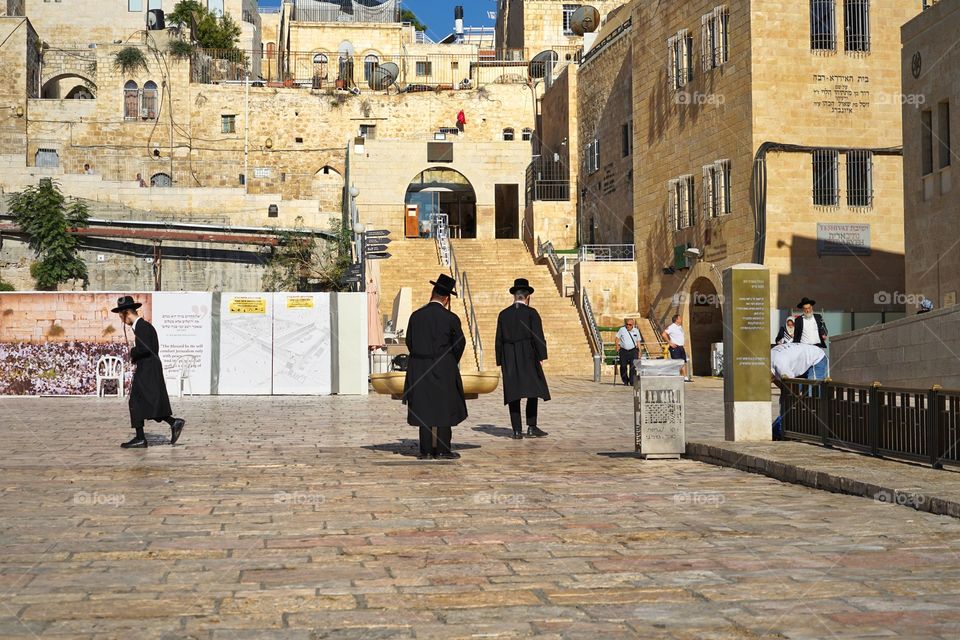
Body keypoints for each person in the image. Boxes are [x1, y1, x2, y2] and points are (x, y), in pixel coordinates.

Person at [402, 274, 468, 460]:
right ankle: (442, 449)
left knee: (424, 406)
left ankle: (425, 451)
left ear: (432, 293)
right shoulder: (451, 318)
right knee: (444, 406)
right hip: (443, 366)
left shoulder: (416, 316)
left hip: (419, 367)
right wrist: (448, 360)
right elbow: (460, 344)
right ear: (447, 299)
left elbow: (410, 342)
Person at [112, 296, 185, 449]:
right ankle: (173, 422)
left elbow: (145, 349)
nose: (122, 320)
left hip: (148, 369)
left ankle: (141, 438)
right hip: (148, 368)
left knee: (136, 401)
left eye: (121, 316)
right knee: (147, 401)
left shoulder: (143, 327)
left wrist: (133, 352)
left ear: (127, 313)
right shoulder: (142, 326)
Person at [495, 278, 550, 439]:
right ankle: (531, 426)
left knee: (514, 392)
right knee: (533, 389)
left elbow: (498, 338)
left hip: (508, 355)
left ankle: (516, 430)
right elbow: (538, 335)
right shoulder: (531, 313)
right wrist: (541, 355)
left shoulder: (503, 314)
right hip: (528, 353)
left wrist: (500, 360)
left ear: (515, 296)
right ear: (528, 297)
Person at [770, 343, 828, 439]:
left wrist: (795, 402)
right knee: (785, 397)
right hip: (799, 363)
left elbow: (792, 388)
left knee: (811, 396)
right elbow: (782, 385)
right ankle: (784, 429)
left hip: (816, 359)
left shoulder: (780, 365)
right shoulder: (769, 363)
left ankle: (813, 429)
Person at [792, 297, 828, 380]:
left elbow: (824, 329)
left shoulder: (818, 317)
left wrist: (823, 334)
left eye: (809, 308)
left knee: (818, 366)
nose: (807, 310)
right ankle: (806, 385)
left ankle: (817, 384)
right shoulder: (798, 320)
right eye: (805, 309)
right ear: (802, 309)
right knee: (806, 368)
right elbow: (796, 336)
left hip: (817, 347)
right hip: (804, 348)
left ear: (811, 308)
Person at [662, 314, 690, 382]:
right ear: (676, 320)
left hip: (681, 347)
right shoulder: (671, 327)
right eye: (679, 318)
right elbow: (663, 334)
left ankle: (685, 377)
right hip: (675, 347)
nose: (681, 319)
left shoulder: (680, 327)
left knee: (683, 361)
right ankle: (677, 377)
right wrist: (670, 343)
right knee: (677, 362)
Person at [616, 317, 642, 386]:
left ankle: (632, 381)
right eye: (627, 324)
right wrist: (617, 346)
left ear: (633, 324)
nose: (628, 326)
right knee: (623, 366)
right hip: (623, 350)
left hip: (633, 350)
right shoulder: (622, 329)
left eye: (630, 325)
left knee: (633, 367)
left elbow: (638, 341)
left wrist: (640, 352)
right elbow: (617, 338)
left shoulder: (636, 331)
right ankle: (625, 380)